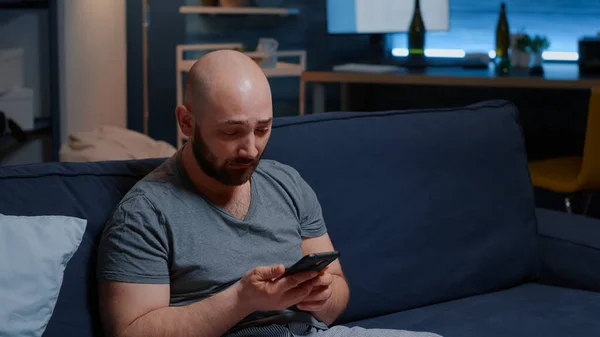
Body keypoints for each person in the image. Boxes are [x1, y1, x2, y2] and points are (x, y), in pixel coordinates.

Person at [96, 50, 442, 337]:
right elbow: (131, 332)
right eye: (231, 132)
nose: (250, 149)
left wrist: (321, 295)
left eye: (262, 129)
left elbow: (336, 298)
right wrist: (242, 301)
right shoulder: (143, 214)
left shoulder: (287, 183)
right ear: (187, 122)